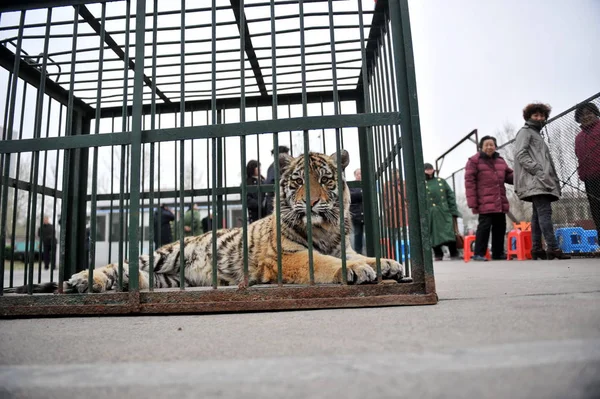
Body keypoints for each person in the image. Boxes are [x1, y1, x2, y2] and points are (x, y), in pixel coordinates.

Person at [514, 103, 569, 260]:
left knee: (538, 215)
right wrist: (538, 171)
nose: (539, 118)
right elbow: (521, 154)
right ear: (529, 117)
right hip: (536, 180)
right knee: (545, 213)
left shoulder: (537, 134)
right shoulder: (525, 132)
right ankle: (553, 248)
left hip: (540, 180)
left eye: (541, 115)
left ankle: (537, 248)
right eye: (535, 115)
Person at [465, 135, 514, 261]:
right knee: (484, 228)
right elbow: (469, 182)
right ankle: (478, 253)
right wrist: (473, 203)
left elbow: (509, 176)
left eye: (491, 144)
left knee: (500, 227)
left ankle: (498, 253)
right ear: (481, 147)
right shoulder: (474, 161)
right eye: (486, 145)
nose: (489, 147)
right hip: (483, 202)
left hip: (499, 200)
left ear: (495, 146)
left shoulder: (500, 161)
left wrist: (521, 175)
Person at [424, 163, 461, 261]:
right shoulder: (421, 184)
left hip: (445, 211)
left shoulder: (441, 181)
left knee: (450, 232)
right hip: (431, 213)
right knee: (434, 234)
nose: (429, 171)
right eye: (427, 169)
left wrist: (453, 211)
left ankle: (454, 252)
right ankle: (438, 254)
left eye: (430, 169)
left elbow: (450, 196)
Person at [574, 102, 600, 237]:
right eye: (582, 115)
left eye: (589, 113)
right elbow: (578, 156)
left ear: (595, 113)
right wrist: (581, 174)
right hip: (589, 179)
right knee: (596, 212)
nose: (586, 117)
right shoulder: (579, 137)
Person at [264, 145, 290, 215]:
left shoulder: (272, 167)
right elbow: (271, 184)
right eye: (287, 154)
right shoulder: (274, 167)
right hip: (276, 204)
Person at [349, 169, 364, 254]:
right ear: (355, 175)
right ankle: (359, 252)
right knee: (357, 234)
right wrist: (362, 193)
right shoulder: (352, 185)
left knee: (371, 234)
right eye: (358, 174)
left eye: (361, 173)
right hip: (356, 215)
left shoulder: (366, 183)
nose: (360, 175)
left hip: (367, 214)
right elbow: (351, 196)